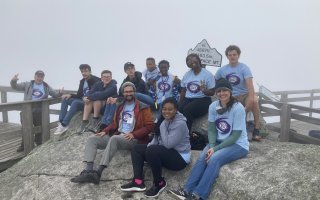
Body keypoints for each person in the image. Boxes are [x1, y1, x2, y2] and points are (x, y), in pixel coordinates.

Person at [168, 78, 249, 200]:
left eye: (225, 90)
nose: (222, 93)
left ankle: (198, 195)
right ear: (216, 93)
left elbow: (235, 135)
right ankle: (186, 191)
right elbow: (212, 129)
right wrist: (211, 146)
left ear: (230, 91)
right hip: (218, 141)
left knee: (214, 159)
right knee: (203, 157)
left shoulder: (238, 108)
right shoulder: (213, 106)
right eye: (219, 91)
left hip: (237, 144)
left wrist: (216, 149)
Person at [70, 82, 154, 184]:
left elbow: (150, 126)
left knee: (114, 139)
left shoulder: (143, 107)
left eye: (131, 91)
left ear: (134, 92)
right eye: (126, 91)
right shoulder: (120, 106)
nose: (128, 93)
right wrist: (104, 131)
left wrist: (134, 134)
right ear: (123, 93)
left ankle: (98, 173)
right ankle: (88, 171)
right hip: (119, 136)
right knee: (92, 139)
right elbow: (114, 124)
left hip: (134, 139)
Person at [120, 97, 191, 198]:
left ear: (176, 110)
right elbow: (156, 138)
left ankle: (159, 183)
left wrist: (163, 124)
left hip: (179, 158)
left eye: (170, 109)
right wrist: (147, 149)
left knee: (152, 150)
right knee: (137, 149)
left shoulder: (180, 123)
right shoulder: (163, 119)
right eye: (164, 109)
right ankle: (138, 181)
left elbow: (168, 144)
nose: (166, 111)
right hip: (165, 152)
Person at [215, 45, 261, 141]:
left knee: (255, 102)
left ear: (238, 55)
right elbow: (214, 81)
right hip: (231, 96)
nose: (232, 56)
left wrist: (249, 103)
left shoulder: (244, 68)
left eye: (234, 54)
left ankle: (257, 129)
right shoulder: (222, 70)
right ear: (227, 56)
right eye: (230, 55)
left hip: (245, 94)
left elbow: (250, 86)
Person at [10, 70, 62, 151]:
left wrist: (60, 93)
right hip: (27, 109)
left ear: (43, 78)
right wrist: (13, 81)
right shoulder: (28, 84)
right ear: (34, 76)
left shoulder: (46, 86)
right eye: (38, 76)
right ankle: (24, 145)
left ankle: (38, 142)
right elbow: (15, 87)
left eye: (41, 76)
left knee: (39, 127)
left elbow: (54, 94)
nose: (39, 78)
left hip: (40, 109)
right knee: (25, 127)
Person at [54, 64, 100, 135]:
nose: (84, 73)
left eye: (85, 71)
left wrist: (87, 97)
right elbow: (79, 95)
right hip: (82, 101)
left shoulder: (96, 80)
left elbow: (98, 93)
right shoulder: (82, 81)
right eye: (82, 72)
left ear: (90, 71)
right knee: (65, 99)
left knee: (75, 102)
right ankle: (61, 121)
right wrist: (70, 95)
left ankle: (64, 125)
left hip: (90, 103)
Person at [179, 53, 215, 132]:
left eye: (194, 59)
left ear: (199, 60)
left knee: (188, 110)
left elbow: (212, 92)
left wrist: (205, 91)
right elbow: (183, 90)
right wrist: (179, 103)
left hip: (203, 99)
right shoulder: (187, 75)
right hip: (188, 99)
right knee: (177, 110)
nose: (192, 61)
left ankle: (185, 137)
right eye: (189, 61)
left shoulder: (208, 74)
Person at [77, 70, 117, 134]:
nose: (106, 78)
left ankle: (95, 120)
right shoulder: (98, 84)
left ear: (111, 77)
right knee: (88, 101)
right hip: (95, 106)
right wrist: (84, 97)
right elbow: (89, 92)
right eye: (104, 77)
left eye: (108, 76)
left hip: (107, 106)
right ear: (101, 78)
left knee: (97, 101)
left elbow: (103, 94)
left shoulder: (113, 86)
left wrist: (90, 96)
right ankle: (84, 122)